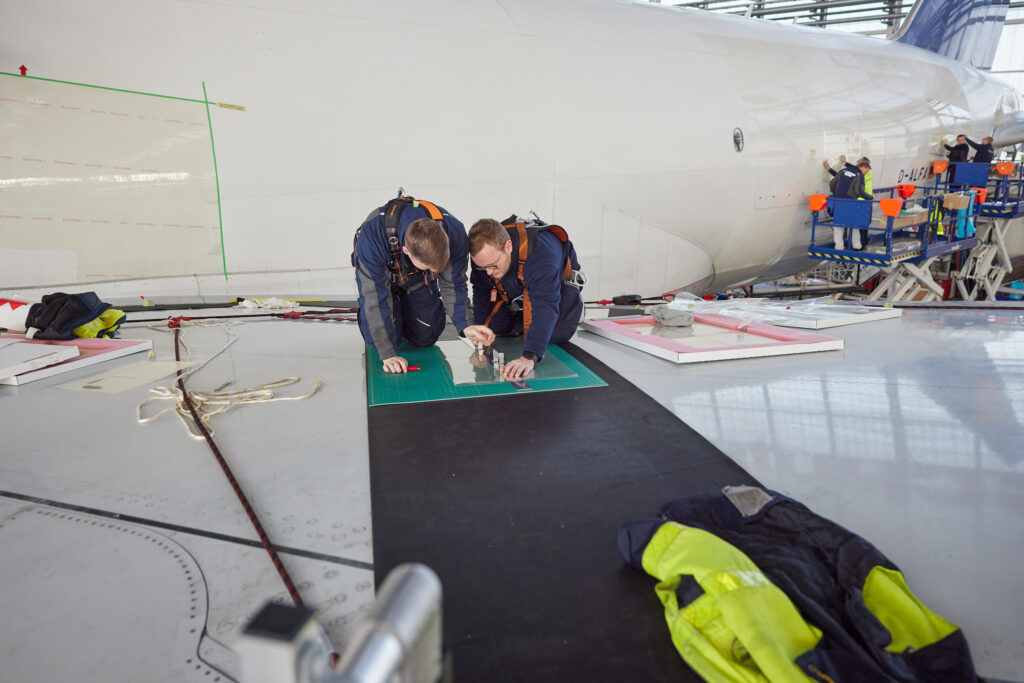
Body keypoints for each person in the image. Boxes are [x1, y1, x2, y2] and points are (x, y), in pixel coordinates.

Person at [352, 195, 492, 374]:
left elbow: (454, 284)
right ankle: (393, 322)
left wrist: (466, 325)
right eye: (428, 266)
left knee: (427, 335)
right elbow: (373, 296)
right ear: (406, 250)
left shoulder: (454, 232)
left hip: (417, 280)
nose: (435, 270)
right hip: (383, 279)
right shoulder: (373, 235)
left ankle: (402, 319)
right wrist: (388, 354)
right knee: (378, 338)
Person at [468, 217, 585, 380]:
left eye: (492, 265)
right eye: (483, 267)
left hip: (556, 286)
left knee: (555, 335)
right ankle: (523, 320)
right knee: (495, 328)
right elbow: (481, 291)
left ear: (507, 247)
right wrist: (480, 332)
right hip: (514, 285)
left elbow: (546, 305)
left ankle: (573, 309)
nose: (488, 272)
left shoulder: (542, 255)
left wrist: (529, 356)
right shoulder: (484, 256)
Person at [822, 156, 872, 250]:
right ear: (863, 167)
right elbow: (859, 191)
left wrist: (836, 194)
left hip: (839, 202)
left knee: (838, 224)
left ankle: (839, 247)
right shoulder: (859, 175)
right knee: (854, 224)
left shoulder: (843, 171)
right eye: (866, 170)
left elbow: (833, 182)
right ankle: (857, 246)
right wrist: (870, 197)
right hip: (851, 202)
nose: (866, 173)